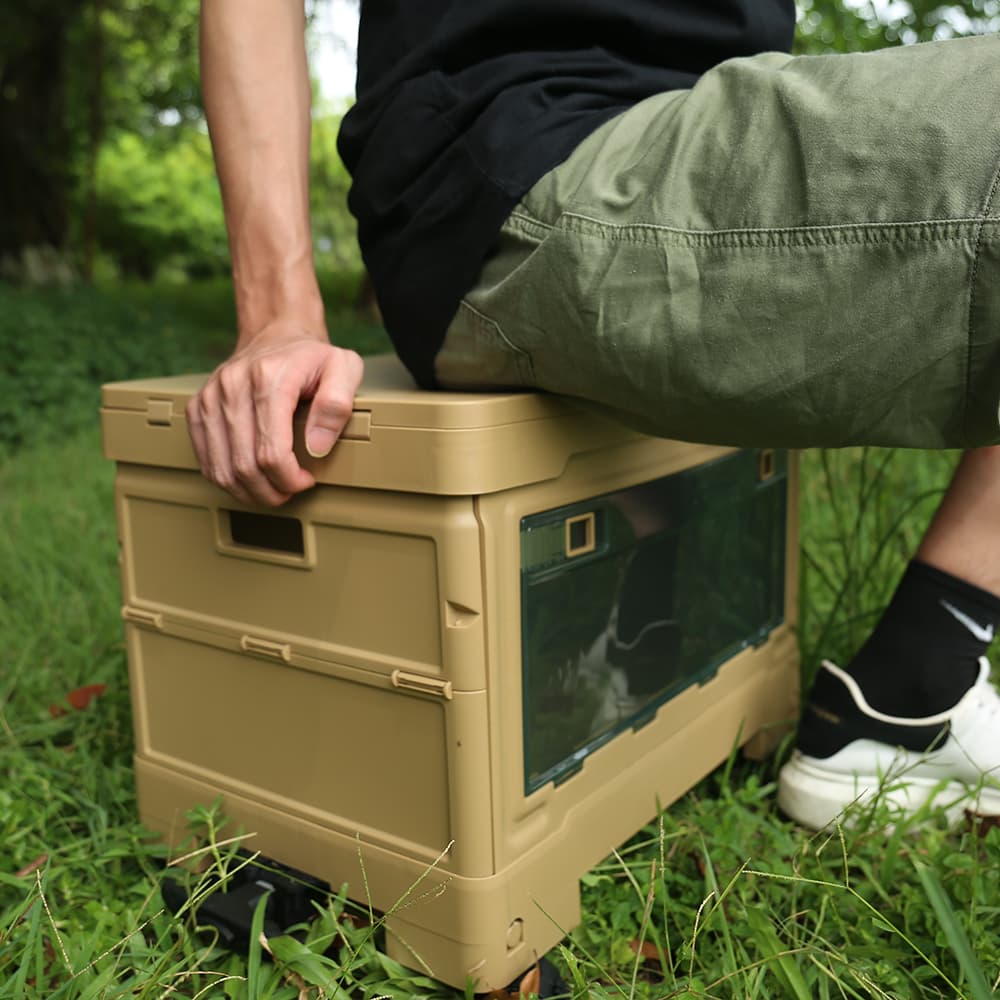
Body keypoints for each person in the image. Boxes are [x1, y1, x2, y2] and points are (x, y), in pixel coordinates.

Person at [188, 0, 1000, 830]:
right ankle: (908, 692)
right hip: (519, 153)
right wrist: (277, 311)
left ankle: (895, 672)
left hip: (719, 112)